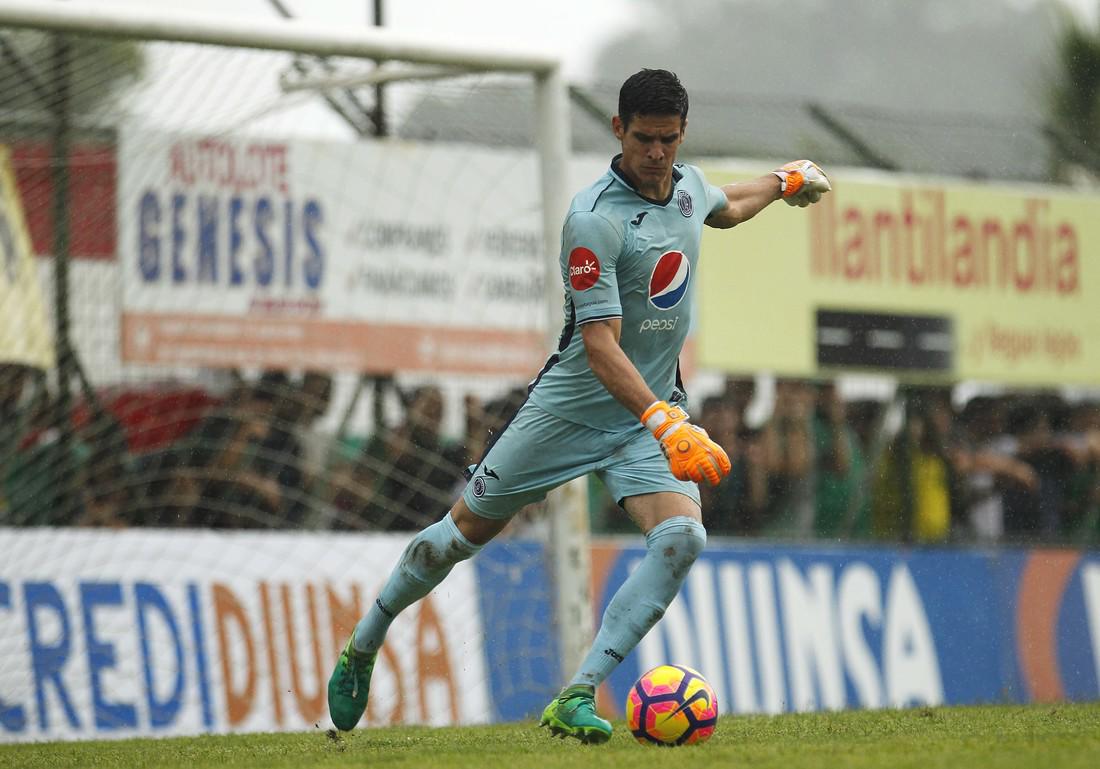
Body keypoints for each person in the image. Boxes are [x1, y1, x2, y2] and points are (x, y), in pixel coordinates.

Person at [326, 68, 831, 742]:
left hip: (644, 422)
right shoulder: (594, 218)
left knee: (682, 537)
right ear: (618, 129)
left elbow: (728, 204)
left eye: (669, 139)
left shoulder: (687, 187)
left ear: (683, 134)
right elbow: (600, 346)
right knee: (455, 538)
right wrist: (665, 421)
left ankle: (577, 693)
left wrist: (785, 180)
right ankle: (365, 641)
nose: (657, 153)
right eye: (644, 139)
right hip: (568, 412)